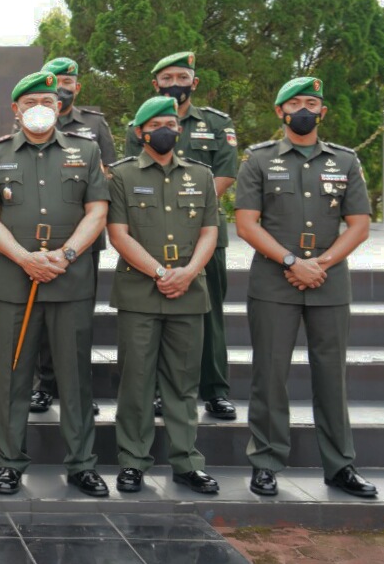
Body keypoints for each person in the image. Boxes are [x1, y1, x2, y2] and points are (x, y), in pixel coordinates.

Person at [235, 77, 377, 499]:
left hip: (329, 283)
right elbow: (246, 223)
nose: (303, 110)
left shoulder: (345, 161)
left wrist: (322, 264)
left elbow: (360, 225)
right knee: (270, 375)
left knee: (332, 375)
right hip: (274, 280)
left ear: (323, 112)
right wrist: (293, 262)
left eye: (311, 103)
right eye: (294, 103)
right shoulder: (258, 160)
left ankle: (340, 466)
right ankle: (265, 462)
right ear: (279, 112)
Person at [0, 71, 109, 497]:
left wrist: (65, 255)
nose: (40, 108)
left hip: (71, 281)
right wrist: (25, 258)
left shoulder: (85, 152)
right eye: (30, 101)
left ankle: (82, 464)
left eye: (48, 101)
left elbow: (97, 210)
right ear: (15, 109)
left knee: (74, 377)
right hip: (16, 281)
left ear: (60, 107)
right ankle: (9, 463)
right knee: (14, 376)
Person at [107, 96, 220, 495]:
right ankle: (133, 462)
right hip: (139, 291)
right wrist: (159, 272)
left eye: (172, 122)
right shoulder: (120, 175)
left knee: (183, 383)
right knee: (136, 381)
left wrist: (188, 273)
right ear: (140, 132)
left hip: (188, 292)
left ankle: (187, 461)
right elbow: (118, 234)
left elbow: (210, 231)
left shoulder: (201, 176)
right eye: (157, 124)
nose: (166, 130)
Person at [124, 52, 237, 420]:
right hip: (151, 236)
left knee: (209, 313)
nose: (176, 83)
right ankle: (159, 390)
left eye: (183, 76)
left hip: (203, 236)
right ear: (155, 83)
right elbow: (130, 178)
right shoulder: (137, 125)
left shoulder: (216, 123)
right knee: (154, 318)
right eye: (167, 77)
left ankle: (215, 388)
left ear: (195, 82)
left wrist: (195, 212)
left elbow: (222, 175)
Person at [30, 56, 114, 416]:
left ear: (76, 87)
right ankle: (45, 384)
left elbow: (108, 173)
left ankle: (79, 388)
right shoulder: (29, 119)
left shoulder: (94, 125)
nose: (60, 87)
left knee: (78, 319)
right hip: (39, 238)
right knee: (42, 316)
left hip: (82, 237)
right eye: (53, 80)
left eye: (67, 81)